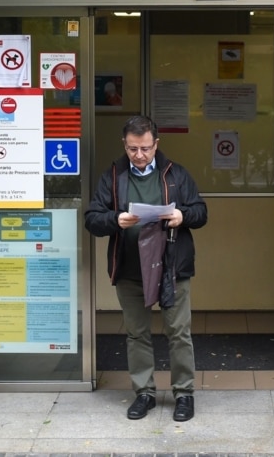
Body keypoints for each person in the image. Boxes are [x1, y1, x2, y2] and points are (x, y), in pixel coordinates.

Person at [85, 115, 208, 422]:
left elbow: (201, 211)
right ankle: (145, 393)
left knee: (178, 332)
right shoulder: (113, 176)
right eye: (131, 149)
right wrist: (115, 220)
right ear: (124, 145)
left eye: (144, 148)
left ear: (156, 144)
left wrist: (182, 216)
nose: (138, 155)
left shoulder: (175, 174)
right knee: (137, 334)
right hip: (130, 267)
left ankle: (184, 394)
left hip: (170, 266)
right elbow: (92, 218)